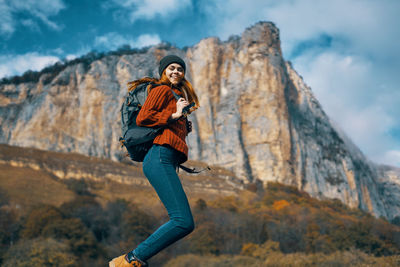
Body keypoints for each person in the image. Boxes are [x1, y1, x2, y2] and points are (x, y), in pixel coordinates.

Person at [109, 55, 200, 267]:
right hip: (159, 156)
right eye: (171, 68)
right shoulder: (161, 90)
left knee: (183, 221)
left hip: (163, 158)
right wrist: (174, 115)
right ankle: (129, 261)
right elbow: (143, 118)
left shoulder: (176, 95)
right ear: (163, 72)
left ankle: (132, 260)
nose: (176, 71)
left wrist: (181, 123)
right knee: (183, 221)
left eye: (180, 68)